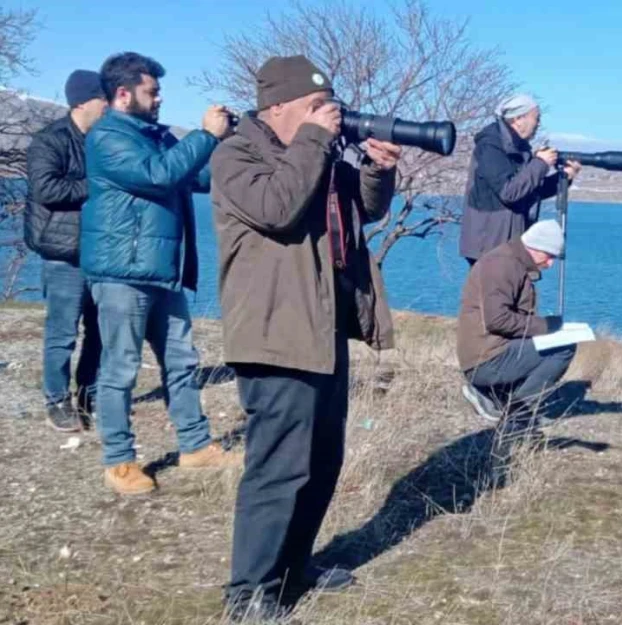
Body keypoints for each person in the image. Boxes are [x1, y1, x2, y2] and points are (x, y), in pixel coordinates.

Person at [209, 55, 400, 621]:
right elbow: (278, 208)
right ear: (276, 108)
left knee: (322, 459)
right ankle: (248, 593)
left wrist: (377, 170)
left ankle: (292, 569)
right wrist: (317, 138)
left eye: (329, 105)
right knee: (278, 467)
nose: (328, 115)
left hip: (323, 327)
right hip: (274, 331)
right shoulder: (236, 155)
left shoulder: (315, 151)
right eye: (315, 107)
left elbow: (365, 209)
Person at [81, 52, 238, 496]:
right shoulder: (108, 137)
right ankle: (118, 461)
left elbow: (199, 177)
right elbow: (157, 175)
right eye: (152, 91)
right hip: (121, 274)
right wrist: (205, 135)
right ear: (123, 94)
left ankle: (195, 446)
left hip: (160, 271)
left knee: (182, 361)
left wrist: (225, 142)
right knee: (120, 368)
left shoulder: (156, 135)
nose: (160, 98)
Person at [457, 220, 577, 477]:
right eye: (549, 256)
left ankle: (505, 408)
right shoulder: (502, 265)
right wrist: (546, 326)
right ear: (534, 248)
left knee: (555, 347)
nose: (550, 263)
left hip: (492, 350)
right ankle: (512, 410)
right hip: (486, 358)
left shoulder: (510, 261)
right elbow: (497, 320)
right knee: (563, 348)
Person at [25, 70, 107, 432]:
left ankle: (89, 396)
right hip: (62, 252)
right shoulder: (49, 141)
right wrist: (99, 185)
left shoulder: (105, 139)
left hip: (101, 249)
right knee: (62, 333)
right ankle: (56, 400)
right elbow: (47, 190)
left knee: (100, 330)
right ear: (82, 102)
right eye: (103, 99)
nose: (110, 105)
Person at [459, 94, 581, 265]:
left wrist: (565, 177)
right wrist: (540, 163)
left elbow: (530, 190)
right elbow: (509, 192)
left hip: (508, 241)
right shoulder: (490, 146)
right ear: (518, 119)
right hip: (489, 245)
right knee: (495, 291)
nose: (539, 124)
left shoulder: (518, 147)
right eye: (536, 118)